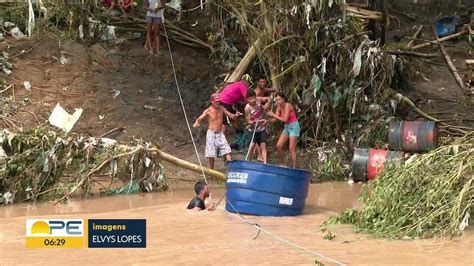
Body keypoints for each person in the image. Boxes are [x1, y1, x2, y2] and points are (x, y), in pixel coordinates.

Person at [193, 93, 241, 169]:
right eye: (216, 101)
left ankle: (231, 169)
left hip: (220, 133)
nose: (218, 103)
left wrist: (236, 115)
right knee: (211, 154)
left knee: (227, 151)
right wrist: (197, 122)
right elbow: (200, 118)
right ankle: (212, 171)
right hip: (211, 133)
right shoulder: (208, 110)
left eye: (219, 101)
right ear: (212, 101)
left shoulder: (221, 108)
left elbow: (231, 116)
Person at [267, 92, 300, 168]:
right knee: (279, 146)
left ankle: (294, 168)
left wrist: (273, 114)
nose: (278, 101)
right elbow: (276, 119)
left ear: (284, 99)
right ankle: (282, 164)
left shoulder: (288, 105)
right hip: (287, 127)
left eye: (279, 99)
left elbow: (284, 119)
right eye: (276, 100)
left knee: (291, 148)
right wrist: (267, 120)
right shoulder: (279, 107)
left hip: (294, 127)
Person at [244, 90, 270, 164]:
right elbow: (248, 121)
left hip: (262, 129)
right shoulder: (247, 108)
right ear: (247, 99)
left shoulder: (259, 101)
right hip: (252, 129)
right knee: (252, 145)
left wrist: (266, 105)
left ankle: (265, 163)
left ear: (256, 97)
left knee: (263, 145)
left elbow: (269, 99)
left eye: (253, 98)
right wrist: (255, 122)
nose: (252, 100)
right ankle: (248, 161)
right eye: (250, 99)